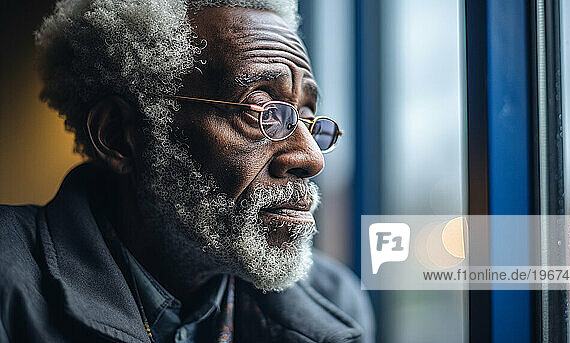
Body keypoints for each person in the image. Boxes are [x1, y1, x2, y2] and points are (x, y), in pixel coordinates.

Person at [0, 0, 374, 342]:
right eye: (262, 113)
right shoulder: (8, 278)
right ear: (118, 135)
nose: (312, 158)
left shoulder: (337, 298)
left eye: (308, 120)